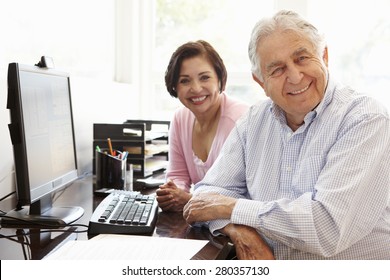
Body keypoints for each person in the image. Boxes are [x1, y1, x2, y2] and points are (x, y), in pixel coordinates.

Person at [183, 10, 390, 260]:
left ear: (324, 56)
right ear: (261, 82)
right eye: (277, 69)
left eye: (302, 58)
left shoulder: (365, 118)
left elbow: (326, 227)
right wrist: (239, 229)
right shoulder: (253, 121)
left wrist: (232, 207)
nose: (294, 76)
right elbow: (206, 196)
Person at [156, 40, 249, 212]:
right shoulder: (180, 118)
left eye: (204, 77)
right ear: (174, 86)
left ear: (220, 79)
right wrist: (171, 194)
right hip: (205, 221)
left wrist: (189, 200)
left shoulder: (240, 120)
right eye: (185, 81)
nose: (196, 88)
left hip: (238, 224)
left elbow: (242, 195)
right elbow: (178, 175)